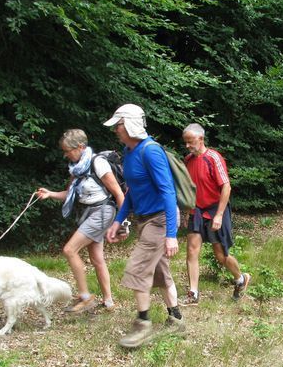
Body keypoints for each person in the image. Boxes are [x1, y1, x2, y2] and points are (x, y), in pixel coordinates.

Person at [104, 104, 184, 348]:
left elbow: (168, 192)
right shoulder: (129, 152)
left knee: (138, 270)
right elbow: (131, 192)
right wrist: (118, 219)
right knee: (159, 272)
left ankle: (143, 324)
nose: (116, 130)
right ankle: (177, 320)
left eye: (118, 125)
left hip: (161, 219)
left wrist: (171, 235)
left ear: (129, 125)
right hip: (145, 220)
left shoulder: (151, 152)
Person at [37, 129, 124, 313]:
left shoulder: (97, 163)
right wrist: (49, 194)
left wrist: (122, 223)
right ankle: (108, 302)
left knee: (69, 250)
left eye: (68, 150)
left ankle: (85, 296)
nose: (65, 154)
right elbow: (70, 194)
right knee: (96, 258)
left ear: (80, 147)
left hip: (103, 211)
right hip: (87, 212)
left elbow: (118, 194)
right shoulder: (77, 169)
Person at [179, 123, 251, 306]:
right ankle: (193, 294)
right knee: (192, 251)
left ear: (201, 139)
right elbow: (189, 188)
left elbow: (226, 186)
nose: (187, 146)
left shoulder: (213, 158)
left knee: (221, 256)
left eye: (190, 141)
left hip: (214, 209)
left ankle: (241, 278)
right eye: (185, 142)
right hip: (196, 210)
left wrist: (219, 215)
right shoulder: (188, 160)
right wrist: (187, 211)